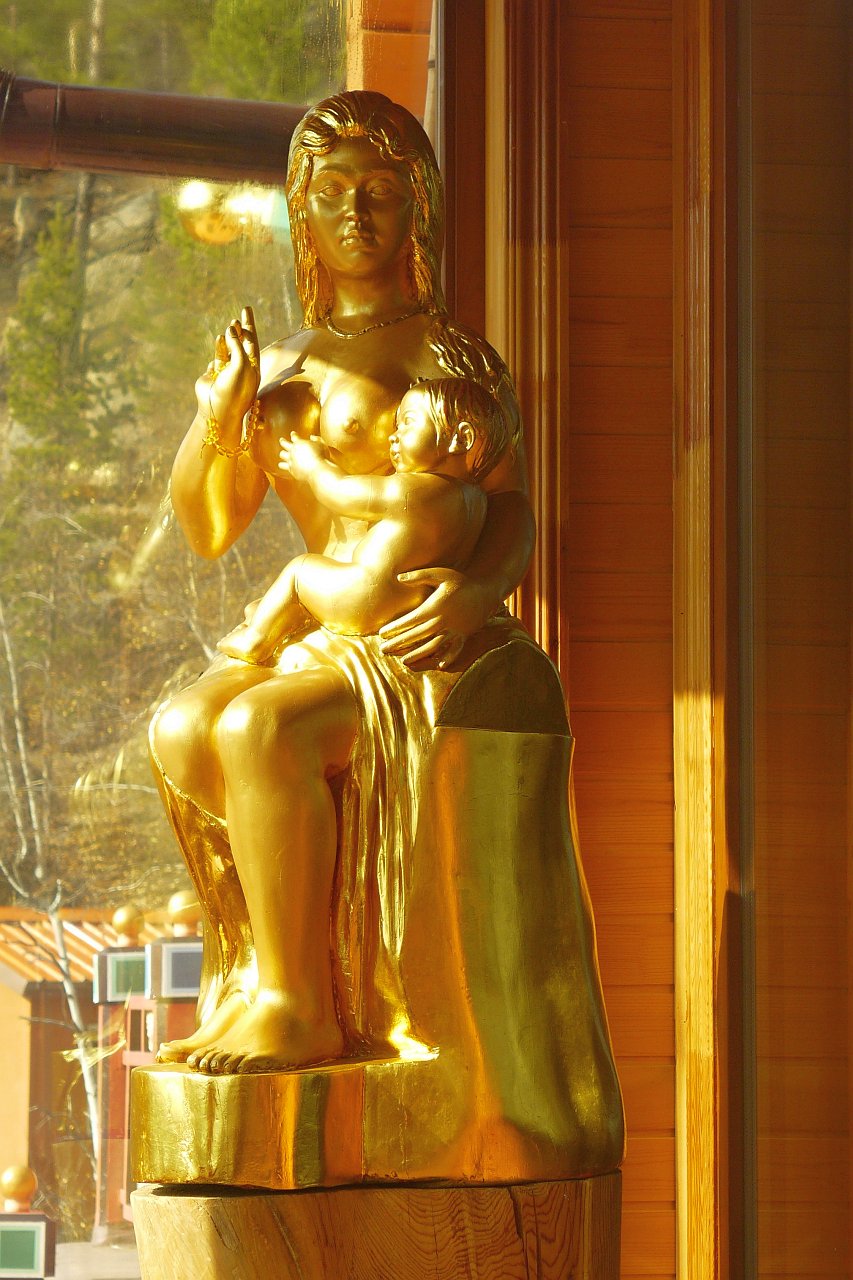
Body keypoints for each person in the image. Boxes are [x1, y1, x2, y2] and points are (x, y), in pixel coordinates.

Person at [150, 90, 534, 1076]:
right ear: (302, 211)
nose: (355, 212)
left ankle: (302, 1010)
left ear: (418, 207)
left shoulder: (451, 356)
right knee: (182, 727)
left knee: (259, 727)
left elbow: (513, 510)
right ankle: (265, 972)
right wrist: (218, 418)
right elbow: (207, 527)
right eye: (331, 192)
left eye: (379, 190)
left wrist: (478, 595)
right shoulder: (280, 367)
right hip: (325, 628)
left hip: (417, 636)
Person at [216, 377, 509, 664]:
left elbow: (340, 492)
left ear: (461, 438)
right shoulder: (477, 499)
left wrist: (313, 464)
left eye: (407, 423)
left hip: (363, 598)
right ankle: (277, 613)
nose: (393, 436)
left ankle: (255, 639)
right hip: (413, 602)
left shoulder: (415, 489)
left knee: (299, 570)